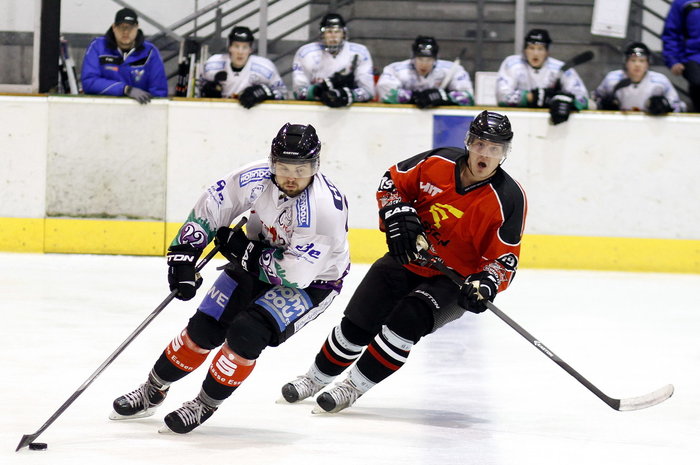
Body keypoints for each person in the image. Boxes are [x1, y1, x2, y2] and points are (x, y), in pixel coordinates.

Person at [279, 111, 527, 414]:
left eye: (494, 149)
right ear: (468, 142)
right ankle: (315, 378)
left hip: (452, 280)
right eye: (480, 144)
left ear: (504, 153)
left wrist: (487, 282)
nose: (485, 154)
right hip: (409, 258)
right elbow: (391, 182)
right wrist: (397, 212)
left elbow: (504, 258)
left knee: (407, 321)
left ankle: (353, 386)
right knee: (358, 321)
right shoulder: (437, 162)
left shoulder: (509, 198)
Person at [109, 123, 350, 434]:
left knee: (247, 332)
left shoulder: (324, 210)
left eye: (301, 169)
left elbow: (295, 274)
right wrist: (184, 253)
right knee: (203, 328)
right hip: (255, 258)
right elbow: (215, 203)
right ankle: (152, 389)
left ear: (315, 166)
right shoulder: (256, 176)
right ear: (272, 162)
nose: (292, 177)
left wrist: (243, 251)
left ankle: (205, 403)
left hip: (313, 283)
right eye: (284, 167)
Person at [496, 29, 589, 124]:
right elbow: (502, 97)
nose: (535, 53)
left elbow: (583, 99)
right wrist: (532, 97)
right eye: (531, 48)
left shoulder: (561, 69)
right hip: (518, 121)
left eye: (540, 49)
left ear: (547, 52)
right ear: (525, 50)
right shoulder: (512, 64)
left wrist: (567, 101)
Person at [81, 8, 167, 104]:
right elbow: (89, 82)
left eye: (130, 27)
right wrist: (125, 89)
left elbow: (159, 93)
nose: (126, 32)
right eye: (121, 27)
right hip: (103, 107)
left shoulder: (150, 52)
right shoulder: (97, 47)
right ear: (114, 27)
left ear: (137, 27)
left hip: (139, 109)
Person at [292, 13, 374, 107]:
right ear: (322, 34)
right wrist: (318, 91)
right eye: (329, 31)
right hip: (315, 108)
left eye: (337, 31)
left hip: (350, 110)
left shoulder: (360, 52)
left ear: (344, 34)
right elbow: (298, 92)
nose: (333, 36)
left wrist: (348, 95)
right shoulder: (305, 53)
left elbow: (369, 91)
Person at [200, 26, 287, 108]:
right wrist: (206, 90)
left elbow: (283, 94)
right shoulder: (212, 64)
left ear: (250, 49)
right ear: (229, 47)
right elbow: (198, 90)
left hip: (252, 115)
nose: (240, 52)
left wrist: (266, 93)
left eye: (245, 47)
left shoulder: (265, 68)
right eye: (236, 46)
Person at [376, 36, 474, 108]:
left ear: (435, 59)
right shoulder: (395, 69)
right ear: (413, 57)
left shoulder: (453, 69)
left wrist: (444, 97)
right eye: (420, 59)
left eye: (429, 60)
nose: (424, 64)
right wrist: (414, 97)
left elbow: (469, 97)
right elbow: (385, 93)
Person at [593, 42, 686, 114]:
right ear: (626, 62)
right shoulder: (612, 79)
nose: (637, 65)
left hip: (651, 127)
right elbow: (594, 100)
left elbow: (680, 106)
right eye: (633, 60)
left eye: (642, 61)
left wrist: (665, 105)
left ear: (648, 64)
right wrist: (602, 105)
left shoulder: (660, 81)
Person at [661, 0, 700, 112]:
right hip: (692, 56)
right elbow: (671, 33)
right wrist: (673, 60)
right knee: (698, 84)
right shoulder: (682, 3)